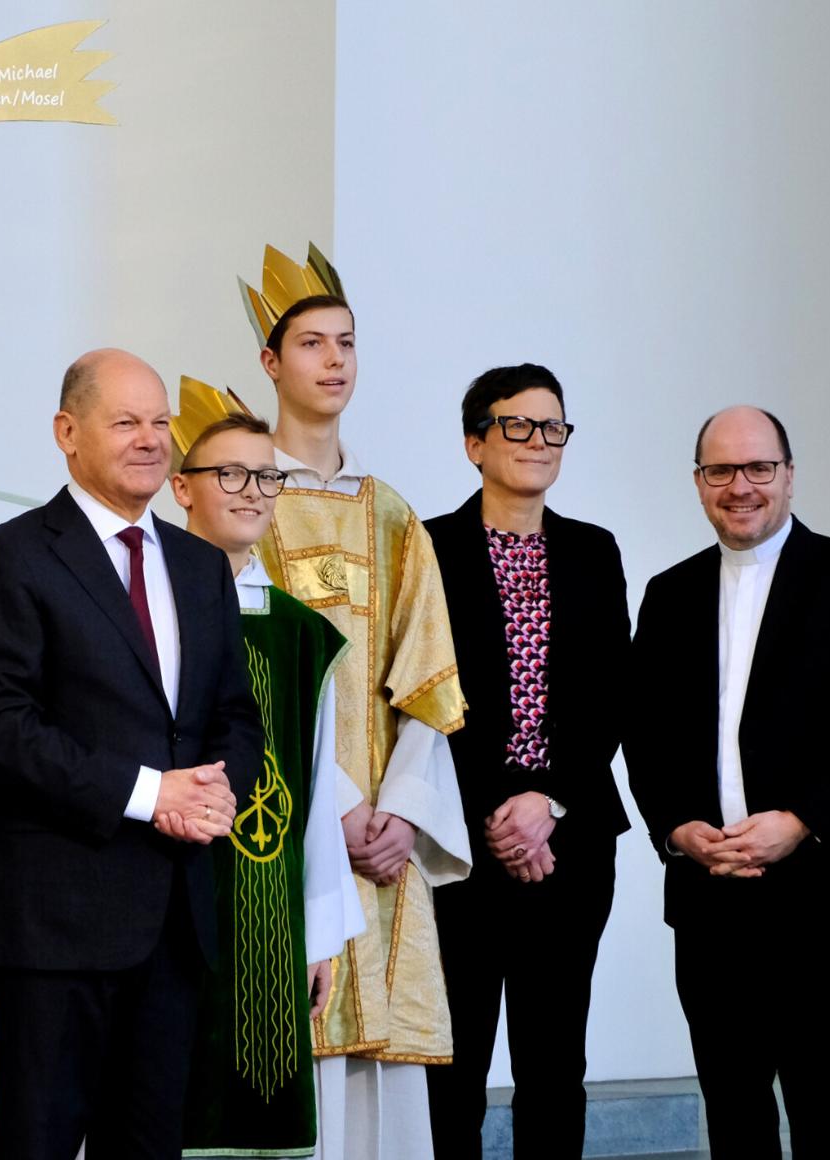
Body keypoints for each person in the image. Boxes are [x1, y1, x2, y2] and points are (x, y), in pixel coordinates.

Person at [0, 348, 262, 1160]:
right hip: (57, 921)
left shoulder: (199, 565)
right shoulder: (12, 554)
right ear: (68, 432)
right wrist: (148, 792)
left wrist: (217, 793)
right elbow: (0, 725)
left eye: (160, 422)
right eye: (125, 422)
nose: (150, 440)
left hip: (176, 921)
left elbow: (235, 713)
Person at [238, 243, 470, 1159]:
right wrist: (333, 808)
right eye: (311, 344)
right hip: (286, 820)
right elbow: (242, 674)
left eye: (347, 343)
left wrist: (401, 813)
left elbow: (428, 679)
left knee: (388, 1093)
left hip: (384, 846)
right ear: (269, 363)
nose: (334, 361)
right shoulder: (244, 499)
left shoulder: (393, 514)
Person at [627, 405, 830, 1160]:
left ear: (789, 475)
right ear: (698, 482)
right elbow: (644, 730)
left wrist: (800, 819)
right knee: (731, 1099)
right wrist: (678, 828)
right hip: (710, 889)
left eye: (758, 469)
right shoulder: (669, 591)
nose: (740, 487)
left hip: (822, 884)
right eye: (721, 471)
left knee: (824, 1097)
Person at [422, 364, 631, 1158]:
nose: (538, 442)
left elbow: (612, 692)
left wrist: (548, 801)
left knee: (554, 1063)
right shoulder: (431, 547)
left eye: (553, 428)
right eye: (517, 425)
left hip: (572, 842)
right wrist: (499, 812)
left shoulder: (591, 550)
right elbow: (419, 691)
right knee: (455, 1065)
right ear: (475, 442)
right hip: (458, 843)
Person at [168, 399, 365, 1159]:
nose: (252, 490)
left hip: (269, 913)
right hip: (168, 898)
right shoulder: (148, 609)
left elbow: (312, 791)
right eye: (230, 474)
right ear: (183, 488)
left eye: (266, 476)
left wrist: (316, 931)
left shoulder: (299, 630)